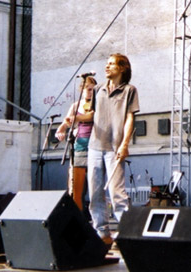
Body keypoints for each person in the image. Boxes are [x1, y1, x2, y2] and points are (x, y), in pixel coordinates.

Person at [87, 53, 139, 244]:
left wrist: (124, 144)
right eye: (106, 64)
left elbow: (130, 118)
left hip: (114, 148)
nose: (106, 67)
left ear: (122, 68)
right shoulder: (99, 88)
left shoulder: (129, 90)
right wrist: (68, 122)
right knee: (94, 193)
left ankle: (129, 234)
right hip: (95, 146)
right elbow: (91, 115)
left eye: (111, 64)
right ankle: (102, 233)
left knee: (117, 194)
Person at [55, 76, 97, 211]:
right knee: (76, 187)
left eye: (93, 89)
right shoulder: (76, 105)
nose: (90, 92)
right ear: (82, 90)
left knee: (95, 186)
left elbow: (90, 116)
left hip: (95, 145)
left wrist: (75, 118)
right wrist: (60, 132)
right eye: (88, 89)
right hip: (79, 145)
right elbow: (64, 125)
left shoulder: (97, 104)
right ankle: (79, 216)